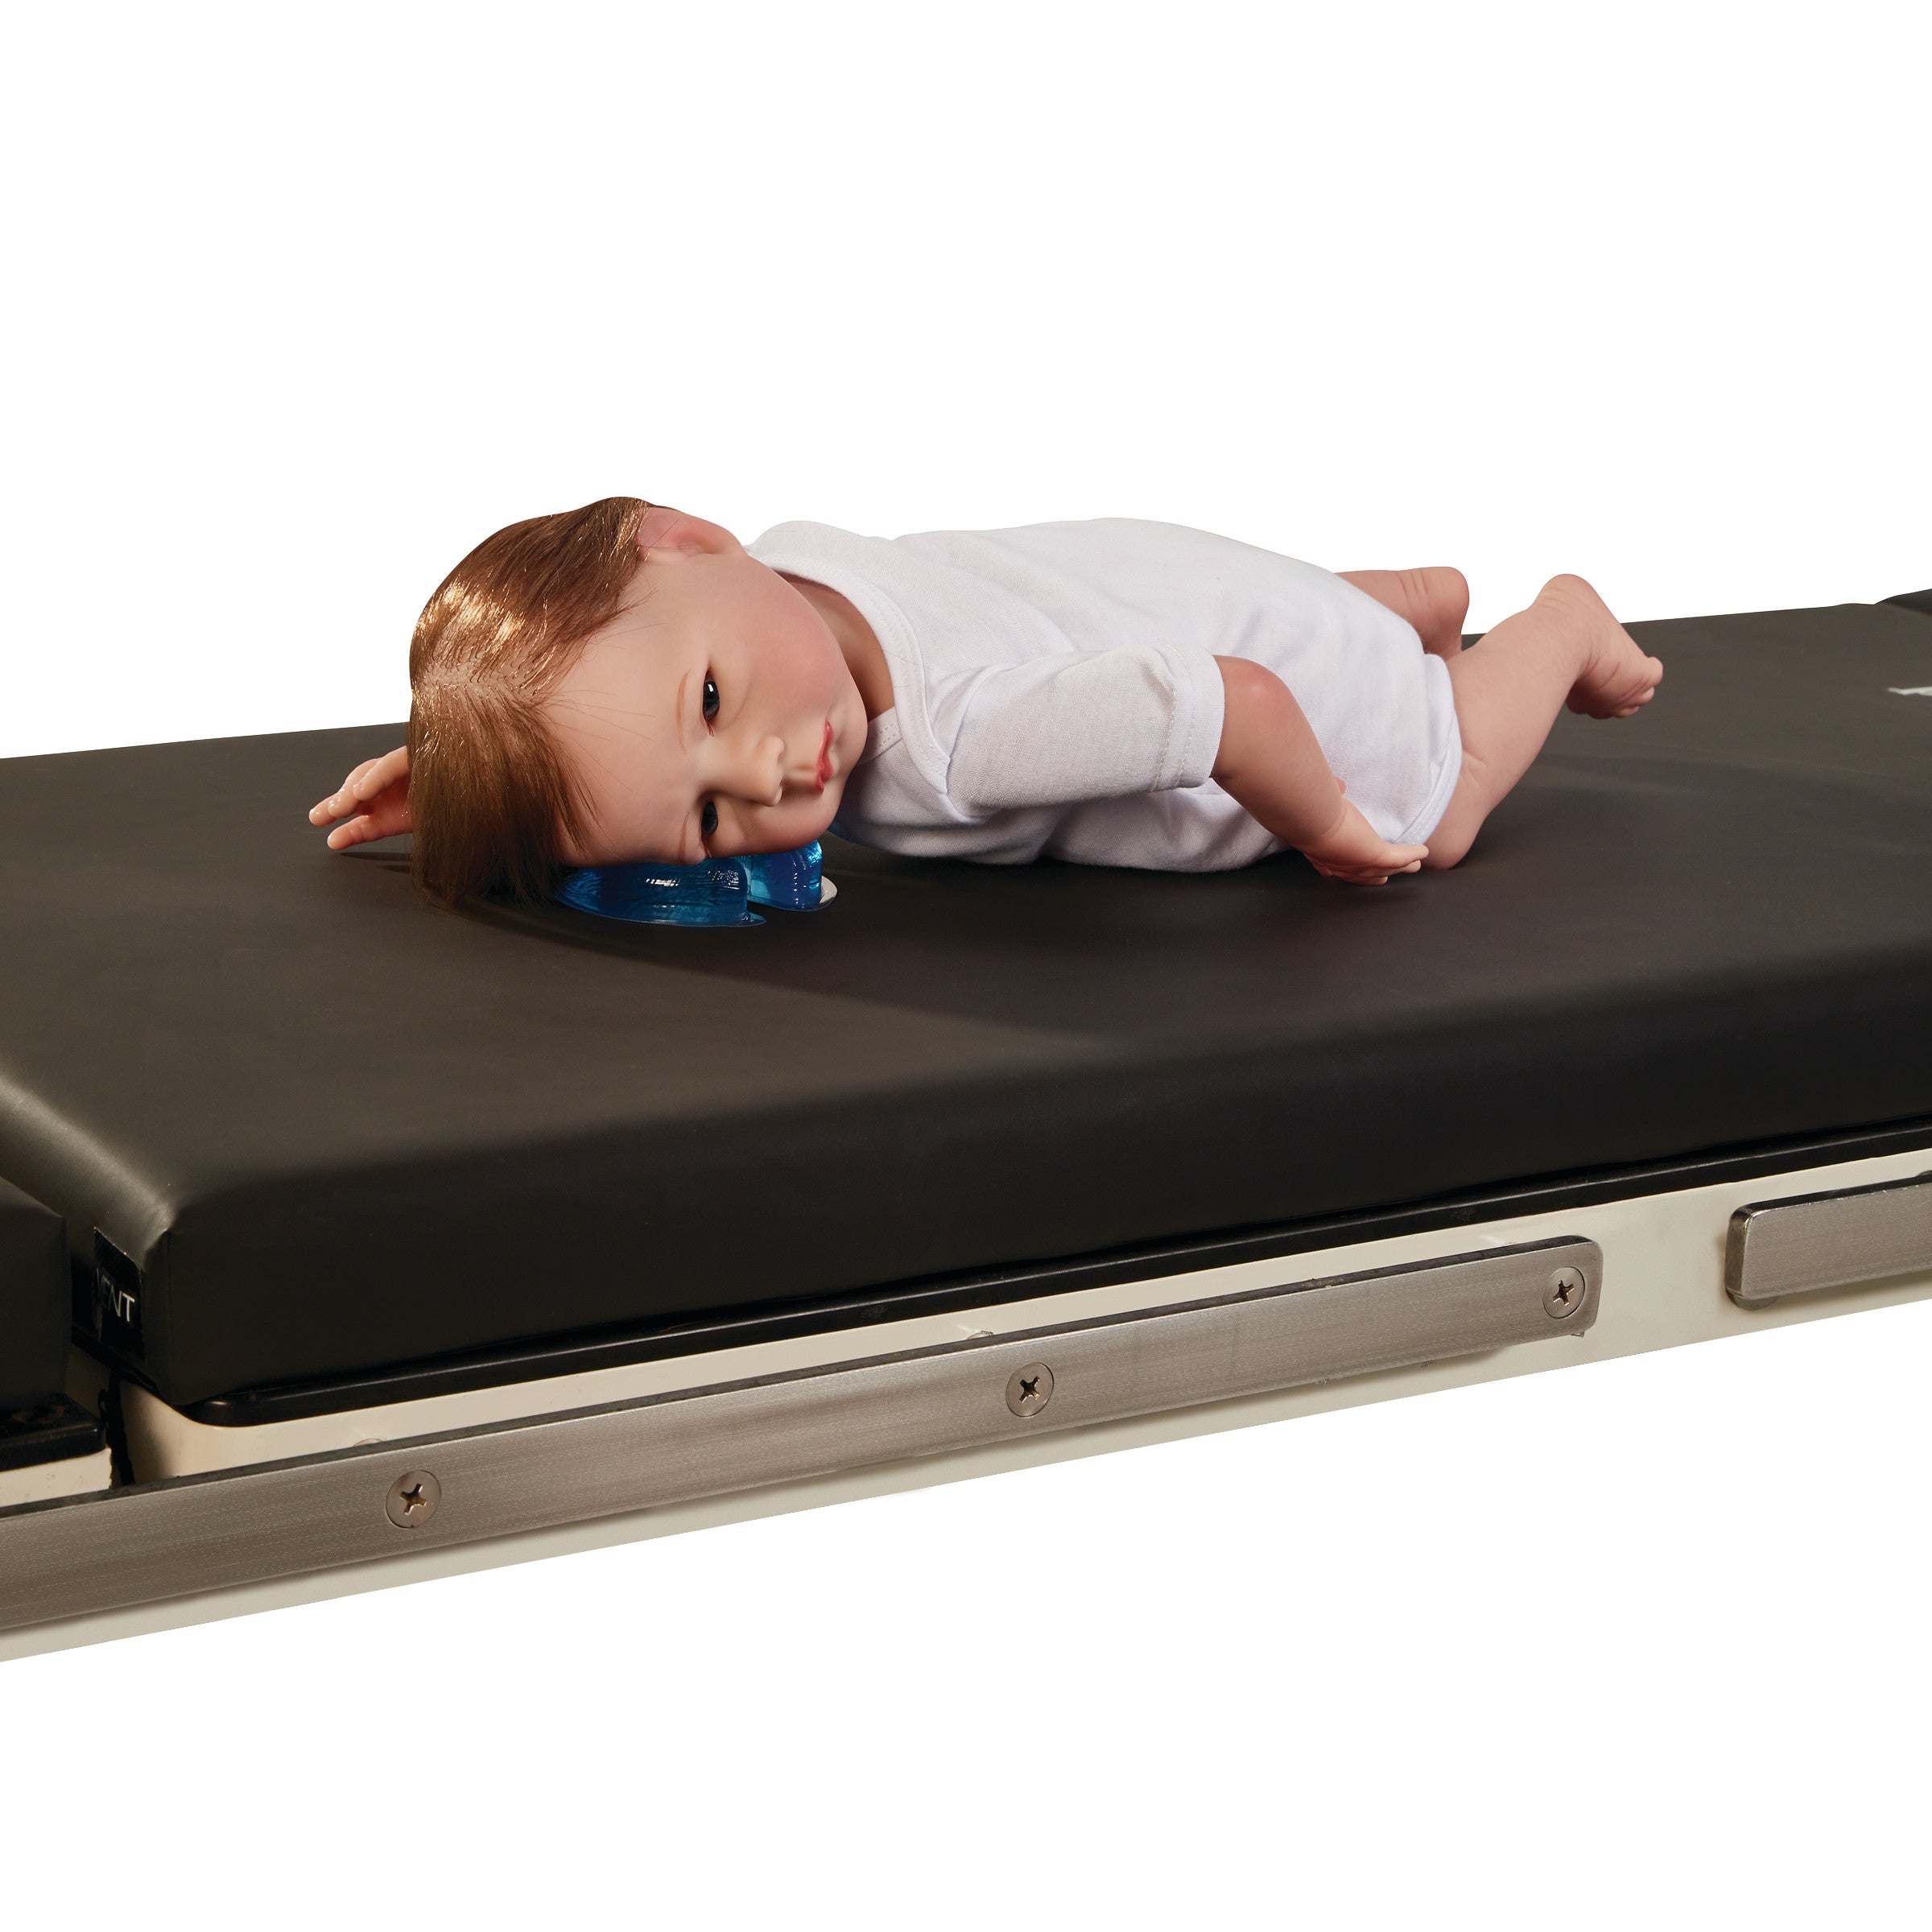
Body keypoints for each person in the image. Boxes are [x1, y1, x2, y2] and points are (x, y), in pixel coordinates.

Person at [310, 497, 1662, 902]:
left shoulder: (966, 747)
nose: (774, 773)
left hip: (1295, 687)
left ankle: (1549, 629)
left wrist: (1333, 831)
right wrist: (467, 764)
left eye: (715, 705)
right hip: (1214, 577)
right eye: (710, 827)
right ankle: (1396, 602)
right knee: (1226, 608)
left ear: (683, 538)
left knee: (1444, 798)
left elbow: (1239, 706)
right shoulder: (781, 569)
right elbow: (604, 714)